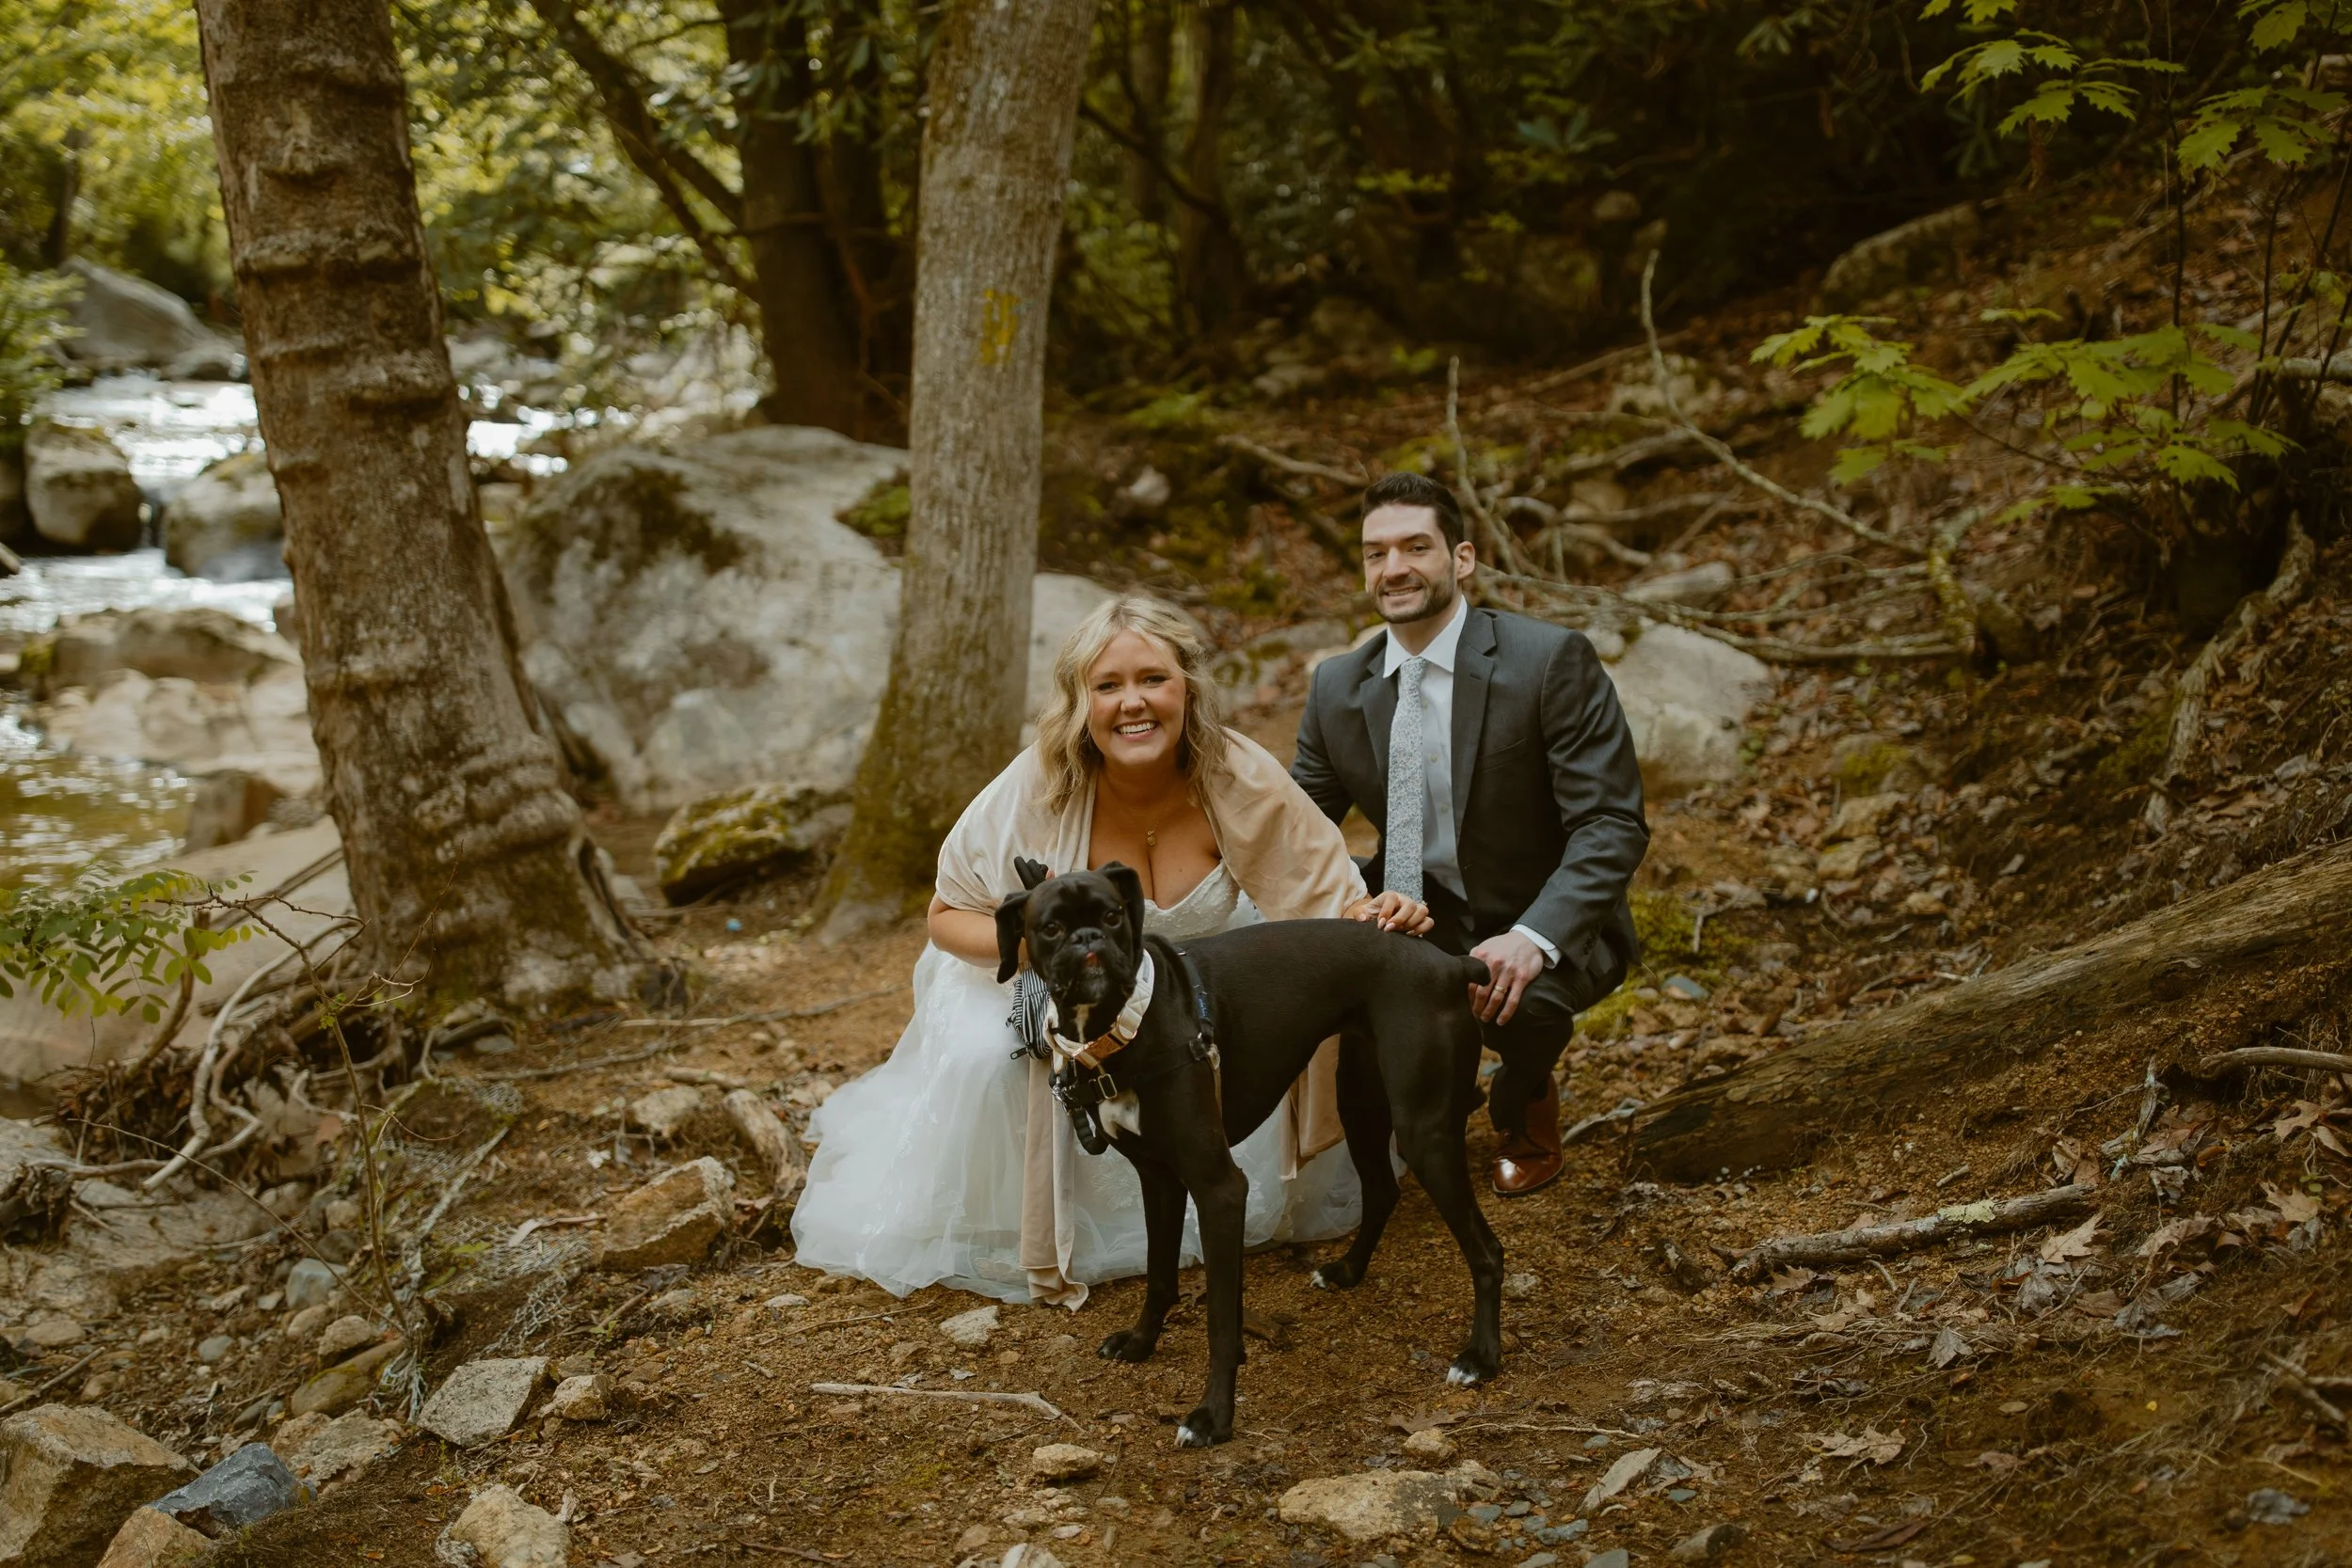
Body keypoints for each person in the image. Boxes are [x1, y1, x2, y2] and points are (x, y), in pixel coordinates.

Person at [792, 594, 1431, 1307]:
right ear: (1080, 702)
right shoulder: (1036, 784)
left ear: (1188, 687)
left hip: (1189, 999)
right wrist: (1044, 955)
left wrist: (1378, 912)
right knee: (990, 1059)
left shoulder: (1236, 772)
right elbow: (945, 915)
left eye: (1154, 678)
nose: (1134, 703)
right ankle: (1039, 1216)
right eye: (1108, 685)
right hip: (1047, 979)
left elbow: (1327, 897)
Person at [1293, 471, 1649, 1196]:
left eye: (1415, 547)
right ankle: (1432, 1091)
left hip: (1538, 910)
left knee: (1522, 1000)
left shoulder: (1549, 660)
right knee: (1337, 970)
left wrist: (1534, 936)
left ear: (1462, 558)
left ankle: (1524, 1099)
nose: (1393, 567)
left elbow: (1610, 821)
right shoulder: (1336, 686)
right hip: (1413, 907)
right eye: (1375, 553)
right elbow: (1295, 827)